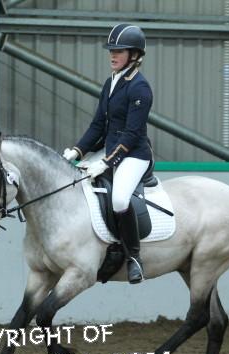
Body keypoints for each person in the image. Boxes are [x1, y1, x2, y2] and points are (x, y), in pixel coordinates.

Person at [63, 23, 153, 285]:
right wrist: (76, 151)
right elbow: (97, 125)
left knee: (120, 200)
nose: (113, 55)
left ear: (134, 55)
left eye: (119, 51)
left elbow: (132, 134)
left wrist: (106, 162)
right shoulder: (111, 82)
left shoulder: (140, 88)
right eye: (111, 50)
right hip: (109, 148)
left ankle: (134, 257)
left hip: (134, 154)